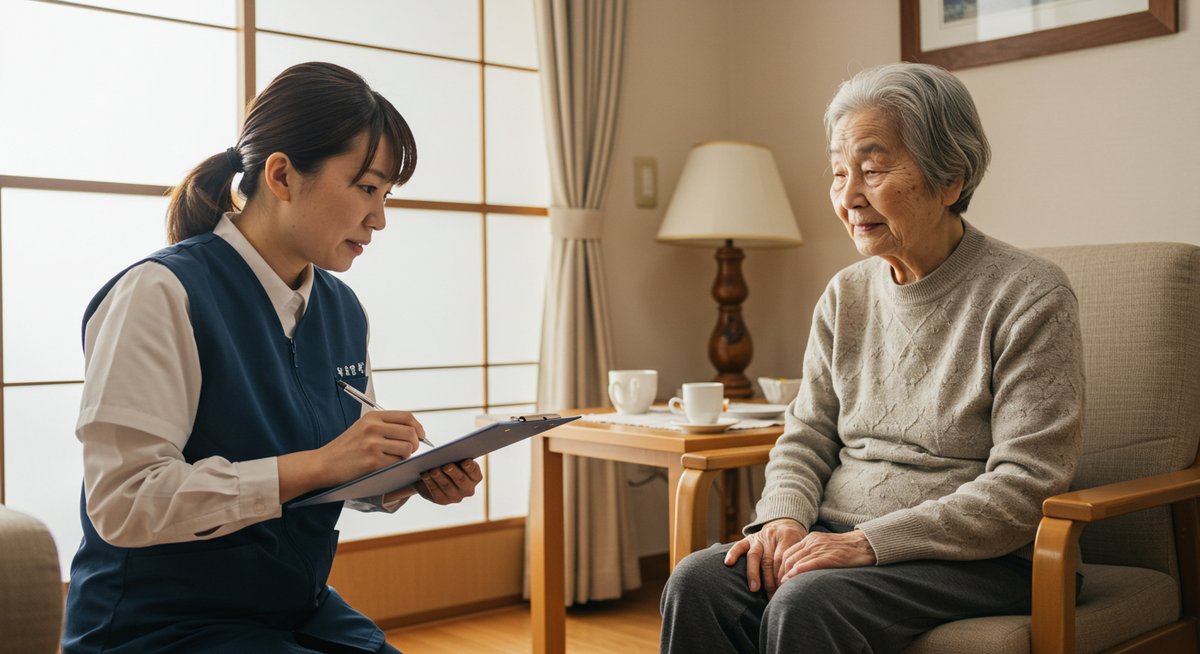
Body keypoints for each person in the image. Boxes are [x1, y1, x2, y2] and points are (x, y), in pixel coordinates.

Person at [660, 63, 1085, 653]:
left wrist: (868, 542)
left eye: (874, 168)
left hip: (981, 557)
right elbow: (805, 436)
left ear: (950, 179)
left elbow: (1025, 486)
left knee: (807, 603)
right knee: (697, 583)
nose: (849, 196)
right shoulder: (846, 293)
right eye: (839, 173)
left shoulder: (1028, 295)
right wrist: (782, 518)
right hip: (834, 534)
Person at [63, 61, 483, 653]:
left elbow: (334, 472)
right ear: (282, 175)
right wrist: (320, 464)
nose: (380, 218)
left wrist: (402, 478)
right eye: (366, 188)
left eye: (386, 195)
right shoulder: (159, 294)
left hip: (295, 607)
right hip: (158, 624)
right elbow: (124, 502)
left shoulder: (341, 308)